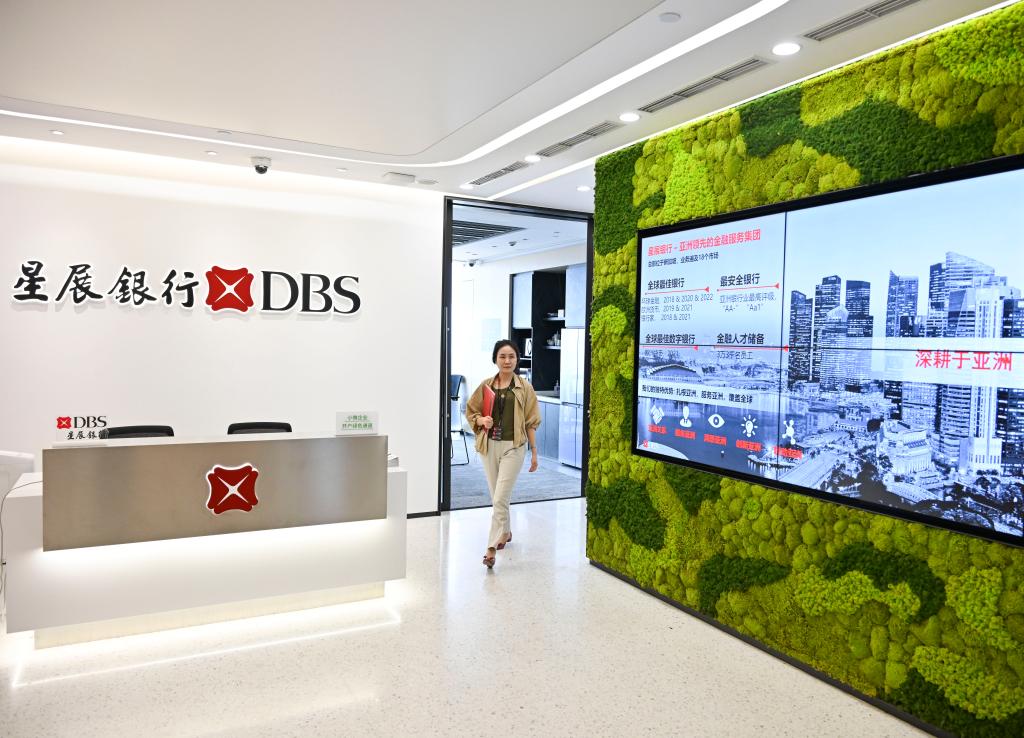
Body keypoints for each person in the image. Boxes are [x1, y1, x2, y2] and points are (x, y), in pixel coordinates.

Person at [465, 339, 541, 569]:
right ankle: (505, 532)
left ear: (517, 359)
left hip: (513, 447)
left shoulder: (524, 387)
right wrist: (481, 420)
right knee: (497, 495)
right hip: (489, 446)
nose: (507, 361)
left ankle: (491, 548)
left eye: (511, 356)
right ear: (495, 359)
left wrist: (534, 452)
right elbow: (471, 410)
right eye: (502, 356)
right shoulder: (486, 386)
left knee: (499, 498)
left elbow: (531, 422)